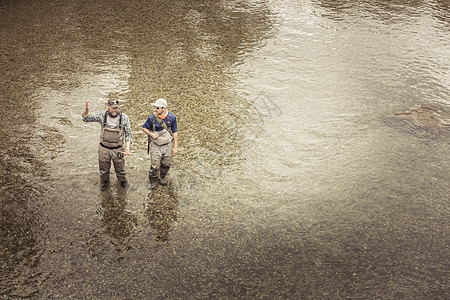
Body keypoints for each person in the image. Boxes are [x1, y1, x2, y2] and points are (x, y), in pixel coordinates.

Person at [82, 97, 132, 190]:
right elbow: (86, 118)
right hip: (103, 149)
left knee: (120, 169)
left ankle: (122, 182)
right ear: (108, 106)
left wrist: (127, 147)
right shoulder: (102, 115)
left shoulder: (124, 118)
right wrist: (86, 110)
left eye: (116, 107)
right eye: (112, 107)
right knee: (103, 170)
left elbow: (128, 134)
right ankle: (105, 182)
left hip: (118, 149)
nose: (115, 109)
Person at [142, 98, 178, 190]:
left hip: (167, 145)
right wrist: (151, 134)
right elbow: (144, 128)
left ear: (164, 108)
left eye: (157, 108)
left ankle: (161, 177)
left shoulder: (172, 118)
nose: (155, 110)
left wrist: (175, 147)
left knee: (166, 164)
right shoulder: (151, 118)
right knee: (154, 165)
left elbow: (174, 132)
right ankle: (152, 181)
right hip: (156, 145)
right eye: (155, 108)